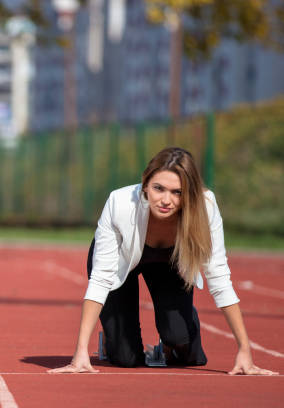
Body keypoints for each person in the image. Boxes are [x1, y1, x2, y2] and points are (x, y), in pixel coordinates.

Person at [49, 147, 277, 375]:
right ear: (145, 183)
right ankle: (113, 339)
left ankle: (175, 335)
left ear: (189, 193)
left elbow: (218, 277)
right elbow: (100, 278)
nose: (166, 200)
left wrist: (244, 349)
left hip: (171, 261)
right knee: (125, 358)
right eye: (159, 188)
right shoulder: (119, 203)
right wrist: (80, 352)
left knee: (181, 343)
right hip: (122, 259)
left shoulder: (205, 208)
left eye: (177, 192)